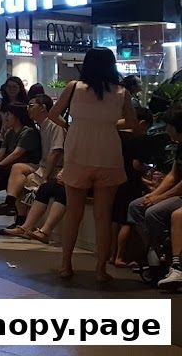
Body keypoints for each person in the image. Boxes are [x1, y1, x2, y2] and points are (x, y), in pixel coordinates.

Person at [50, 47, 137, 282]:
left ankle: (66, 264)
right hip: (109, 156)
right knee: (103, 215)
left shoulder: (73, 88)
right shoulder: (122, 92)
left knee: (73, 213)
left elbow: (53, 114)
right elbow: (131, 122)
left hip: (78, 154)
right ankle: (101, 269)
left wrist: (74, 126)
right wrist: (107, 124)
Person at [0, 94, 65, 229]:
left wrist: (45, 176)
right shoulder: (40, 126)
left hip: (55, 168)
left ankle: (23, 222)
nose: (27, 109)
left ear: (43, 108)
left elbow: (56, 152)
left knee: (29, 180)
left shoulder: (55, 125)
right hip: (42, 165)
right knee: (17, 168)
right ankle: (11, 203)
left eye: (31, 106)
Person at [128, 110, 182, 270]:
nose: (166, 130)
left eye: (169, 127)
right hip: (176, 194)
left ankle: (163, 259)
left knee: (153, 212)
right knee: (136, 206)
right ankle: (157, 252)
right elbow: (173, 175)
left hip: (179, 195)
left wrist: (159, 198)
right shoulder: (179, 147)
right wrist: (153, 194)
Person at [0, 103, 41, 228]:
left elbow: (17, 153)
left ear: (16, 116)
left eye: (8, 114)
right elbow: (1, 152)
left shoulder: (28, 132)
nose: (5, 117)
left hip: (25, 165)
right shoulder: (10, 132)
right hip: (11, 166)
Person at [113, 107, 158, 268]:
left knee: (116, 220)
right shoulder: (140, 139)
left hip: (116, 181)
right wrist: (149, 168)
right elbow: (136, 165)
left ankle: (112, 255)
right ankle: (120, 256)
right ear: (142, 123)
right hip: (130, 184)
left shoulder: (119, 136)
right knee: (127, 222)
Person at [0, 77, 29, 154]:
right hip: (3, 139)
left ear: (20, 88)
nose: (11, 89)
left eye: (14, 87)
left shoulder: (26, 103)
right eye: (9, 87)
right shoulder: (0, 103)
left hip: (21, 139)